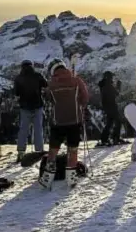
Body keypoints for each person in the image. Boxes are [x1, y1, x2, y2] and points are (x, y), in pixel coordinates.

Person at [39, 59, 89, 189]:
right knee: (73, 149)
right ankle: (71, 178)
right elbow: (85, 97)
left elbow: (48, 99)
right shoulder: (76, 80)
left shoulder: (52, 84)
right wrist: (80, 106)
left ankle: (47, 177)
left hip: (58, 121)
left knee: (53, 149)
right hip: (75, 120)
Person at [13, 60, 48, 161]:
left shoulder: (19, 78)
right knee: (38, 129)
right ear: (32, 66)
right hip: (38, 105)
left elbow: (16, 93)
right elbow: (45, 85)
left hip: (25, 107)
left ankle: (21, 152)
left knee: (23, 129)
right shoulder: (37, 75)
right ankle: (39, 151)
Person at [97, 71, 129, 147]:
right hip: (111, 106)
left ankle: (105, 139)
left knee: (110, 123)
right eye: (112, 77)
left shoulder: (104, 84)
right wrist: (118, 85)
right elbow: (116, 93)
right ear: (109, 77)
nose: (113, 79)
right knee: (118, 122)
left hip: (107, 106)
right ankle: (115, 138)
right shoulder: (108, 85)